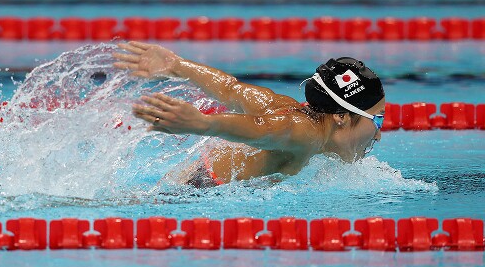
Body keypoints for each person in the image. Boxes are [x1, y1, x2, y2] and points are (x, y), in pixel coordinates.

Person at [113, 41, 385, 188]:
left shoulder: (285, 106)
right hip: (198, 192)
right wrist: (203, 124)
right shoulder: (305, 132)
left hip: (193, 179)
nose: (379, 134)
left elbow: (231, 89)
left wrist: (177, 64)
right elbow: (264, 129)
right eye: (377, 118)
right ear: (342, 117)